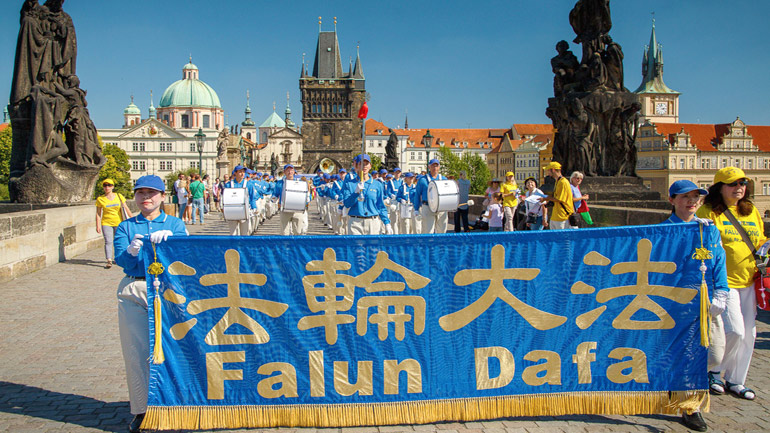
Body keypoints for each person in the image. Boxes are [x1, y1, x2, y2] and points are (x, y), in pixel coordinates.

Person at [113, 175, 187, 433]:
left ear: (163, 197)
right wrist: (132, 251)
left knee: (171, 349)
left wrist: (177, 242)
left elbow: (185, 260)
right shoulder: (126, 226)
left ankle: (174, 404)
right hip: (136, 287)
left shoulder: (175, 224)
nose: (146, 198)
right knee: (137, 352)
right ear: (134, 196)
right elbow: (123, 261)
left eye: (152, 193)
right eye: (141, 193)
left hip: (167, 291)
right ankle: (141, 410)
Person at [696, 167, 769, 402]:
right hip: (724, 281)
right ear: (719, 188)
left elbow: (759, 240)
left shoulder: (751, 211)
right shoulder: (708, 211)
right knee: (734, 330)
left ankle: (737, 380)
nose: (739, 188)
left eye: (742, 183)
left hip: (749, 279)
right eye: (732, 184)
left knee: (749, 333)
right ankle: (714, 371)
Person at [663, 180, 729, 432]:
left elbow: (718, 260)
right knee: (687, 355)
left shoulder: (708, 230)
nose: (691, 201)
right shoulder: (663, 231)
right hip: (677, 304)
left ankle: (680, 390)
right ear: (672, 200)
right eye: (684, 197)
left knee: (714, 354)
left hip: (706, 301)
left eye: (695, 197)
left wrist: (722, 290)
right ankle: (691, 407)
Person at [342, 154, 392, 235]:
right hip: (356, 222)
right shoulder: (350, 184)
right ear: (357, 166)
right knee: (357, 247)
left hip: (372, 222)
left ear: (370, 166)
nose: (364, 166)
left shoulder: (377, 184)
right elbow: (347, 204)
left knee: (373, 248)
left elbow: (380, 206)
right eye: (361, 164)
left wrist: (386, 222)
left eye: (366, 164)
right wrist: (356, 193)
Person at [95, 178, 133, 268]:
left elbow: (126, 208)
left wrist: (132, 219)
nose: (107, 187)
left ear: (112, 187)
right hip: (106, 222)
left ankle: (117, 258)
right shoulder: (101, 199)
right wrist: (98, 225)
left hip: (118, 222)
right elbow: (98, 213)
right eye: (105, 185)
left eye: (109, 185)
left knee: (118, 241)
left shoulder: (119, 196)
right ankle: (109, 260)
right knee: (108, 241)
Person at [272, 164, 307, 235]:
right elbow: (275, 194)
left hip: (297, 210)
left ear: (294, 171)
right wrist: (274, 200)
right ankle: (285, 246)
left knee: (298, 232)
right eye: (288, 170)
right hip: (285, 209)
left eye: (291, 170)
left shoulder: (299, 182)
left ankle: (296, 246)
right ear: (284, 172)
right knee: (284, 232)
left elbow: (303, 194)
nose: (290, 172)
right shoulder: (280, 183)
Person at [414, 159, 447, 234]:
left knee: (442, 230)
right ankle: (427, 245)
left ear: (439, 167)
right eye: (433, 166)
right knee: (428, 231)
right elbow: (417, 194)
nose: (435, 168)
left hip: (441, 208)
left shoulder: (444, 179)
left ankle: (439, 245)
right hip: (427, 206)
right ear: (429, 167)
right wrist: (416, 209)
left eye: (436, 166)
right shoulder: (423, 180)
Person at [225, 165, 259, 235]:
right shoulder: (229, 185)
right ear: (235, 173)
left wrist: (254, 208)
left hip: (244, 211)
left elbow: (252, 198)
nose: (242, 173)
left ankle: (243, 246)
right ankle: (234, 246)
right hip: (232, 211)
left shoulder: (248, 184)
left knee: (245, 233)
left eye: (243, 172)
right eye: (240, 172)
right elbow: (224, 197)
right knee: (233, 233)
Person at [540, 161, 575, 230]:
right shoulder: (558, 181)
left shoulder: (563, 182)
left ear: (553, 170)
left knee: (562, 238)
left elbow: (560, 199)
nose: (547, 173)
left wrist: (546, 198)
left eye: (548, 170)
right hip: (556, 216)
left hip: (562, 216)